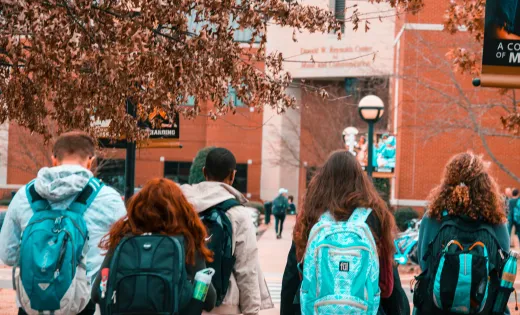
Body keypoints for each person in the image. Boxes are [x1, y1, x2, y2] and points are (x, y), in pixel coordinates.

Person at [0, 131, 127, 315]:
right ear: (91, 161)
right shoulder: (109, 199)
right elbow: (122, 255)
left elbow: (7, 254)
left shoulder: (24, 196)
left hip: (32, 305)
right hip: (84, 306)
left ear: (54, 159)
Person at [292, 150, 403, 314]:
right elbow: (386, 282)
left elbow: (293, 274)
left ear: (322, 180)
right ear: (360, 180)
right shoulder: (375, 216)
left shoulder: (312, 214)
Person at [92, 178, 217, 314]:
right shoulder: (186, 242)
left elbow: (96, 293)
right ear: (179, 209)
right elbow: (209, 300)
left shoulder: (123, 239)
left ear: (137, 207)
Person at [414, 152, 510, 315]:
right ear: (485, 183)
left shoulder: (434, 216)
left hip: (436, 308)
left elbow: (424, 263)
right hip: (483, 307)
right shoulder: (495, 220)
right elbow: (504, 267)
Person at [181, 147, 273, 315]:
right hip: (224, 303)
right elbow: (246, 268)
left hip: (184, 300)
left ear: (203, 171)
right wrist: (251, 311)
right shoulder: (237, 213)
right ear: (232, 175)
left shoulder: (181, 206)